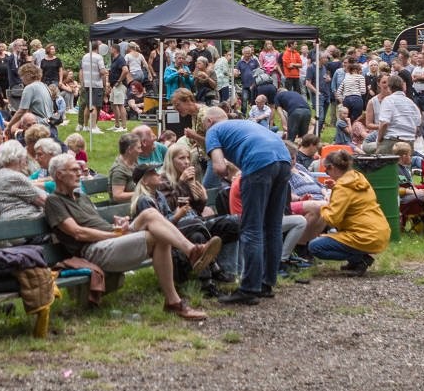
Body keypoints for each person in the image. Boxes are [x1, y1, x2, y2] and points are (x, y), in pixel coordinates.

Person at [42, 153, 213, 318]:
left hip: (110, 239)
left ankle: (191, 251)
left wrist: (117, 225)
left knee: (150, 214)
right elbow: (78, 233)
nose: (79, 172)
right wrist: (112, 235)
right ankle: (175, 297)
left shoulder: (81, 197)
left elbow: (96, 223)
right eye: (73, 170)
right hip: (92, 251)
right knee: (158, 237)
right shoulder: (54, 201)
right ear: (59, 175)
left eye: (79, 168)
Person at [204, 108, 290, 306]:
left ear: (209, 121)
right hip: (283, 159)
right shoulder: (242, 124)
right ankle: (267, 283)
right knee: (273, 226)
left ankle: (249, 288)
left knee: (252, 228)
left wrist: (227, 173)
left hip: (259, 163)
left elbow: (218, 167)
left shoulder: (213, 132)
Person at [303, 147, 384, 273]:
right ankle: (357, 259)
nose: (326, 172)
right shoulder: (357, 178)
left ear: (333, 167)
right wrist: (335, 188)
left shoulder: (343, 188)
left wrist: (323, 205)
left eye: (326, 169)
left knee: (315, 247)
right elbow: (352, 196)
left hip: (364, 236)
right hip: (379, 232)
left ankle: (358, 259)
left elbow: (332, 219)